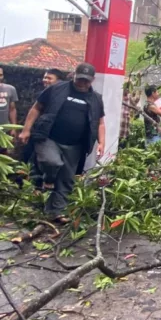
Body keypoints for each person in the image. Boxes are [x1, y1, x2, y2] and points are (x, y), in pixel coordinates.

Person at [19, 62, 105, 221]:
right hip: (49, 138)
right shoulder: (56, 89)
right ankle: (48, 179)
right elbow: (36, 108)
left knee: (66, 180)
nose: (82, 83)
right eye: (80, 79)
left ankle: (55, 212)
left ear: (92, 80)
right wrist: (26, 129)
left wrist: (101, 143)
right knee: (52, 162)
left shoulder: (96, 99)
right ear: (74, 75)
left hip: (75, 146)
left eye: (86, 80)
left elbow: (100, 122)